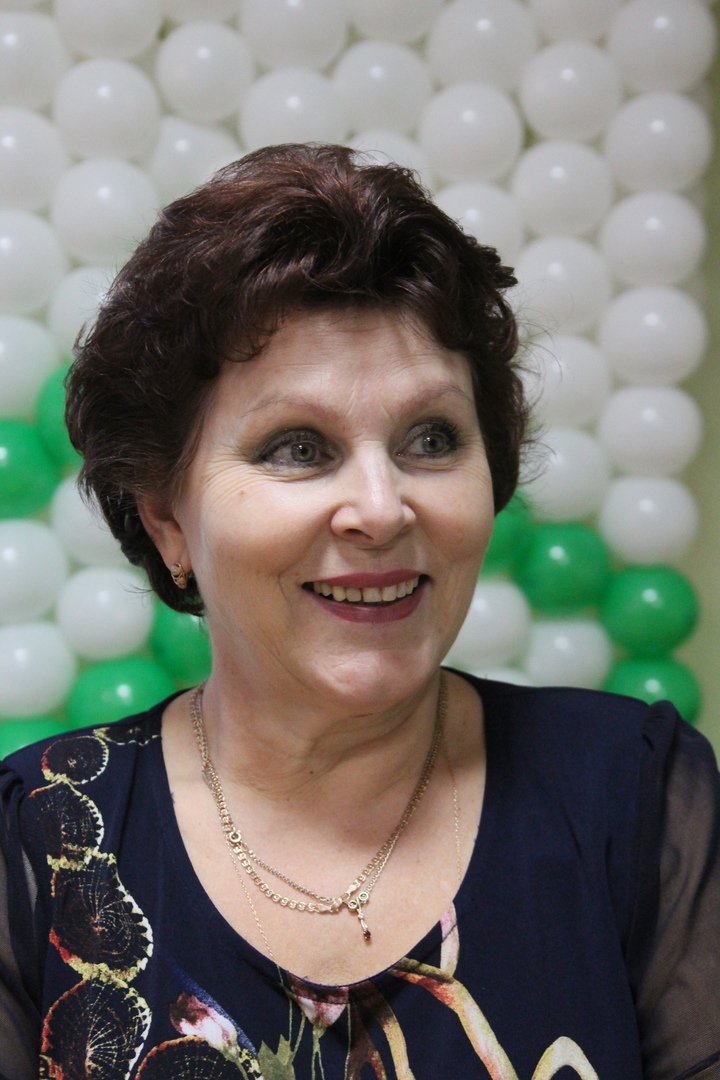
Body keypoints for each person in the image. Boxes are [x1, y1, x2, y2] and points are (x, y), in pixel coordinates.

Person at [0, 144, 718, 1080]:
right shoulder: (38, 837)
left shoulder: (636, 794)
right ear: (167, 518)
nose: (382, 510)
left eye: (432, 438)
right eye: (298, 447)